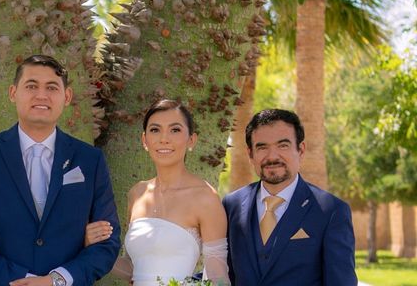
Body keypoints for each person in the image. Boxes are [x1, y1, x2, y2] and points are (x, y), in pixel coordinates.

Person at [0, 54, 121, 286]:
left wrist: (56, 281)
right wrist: (23, 281)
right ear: (13, 93)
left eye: (52, 87)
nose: (41, 95)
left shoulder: (90, 159)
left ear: (67, 96)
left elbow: (107, 242)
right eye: (31, 86)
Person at [89, 98, 230, 285]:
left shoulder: (205, 197)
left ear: (191, 140)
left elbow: (218, 275)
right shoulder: (137, 194)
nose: (164, 139)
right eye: (155, 130)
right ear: (144, 140)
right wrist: (93, 246)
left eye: (175, 130)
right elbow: (134, 270)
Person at [223, 108, 358, 286]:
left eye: (283, 145)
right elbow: (221, 272)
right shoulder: (230, 205)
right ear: (250, 154)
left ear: (301, 150)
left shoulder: (331, 211)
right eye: (262, 147)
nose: (272, 156)